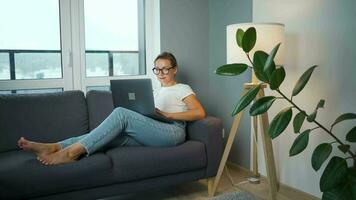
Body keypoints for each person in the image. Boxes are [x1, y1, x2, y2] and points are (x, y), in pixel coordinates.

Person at [17, 52, 206, 166]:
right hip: (154, 130)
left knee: (121, 113)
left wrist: (168, 114)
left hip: (173, 131)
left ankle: (70, 153)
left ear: (174, 69)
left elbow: (199, 112)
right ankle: (53, 146)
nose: (161, 73)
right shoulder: (155, 91)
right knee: (111, 134)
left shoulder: (182, 88)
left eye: (165, 69)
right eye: (157, 69)